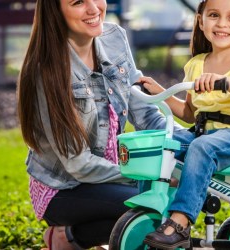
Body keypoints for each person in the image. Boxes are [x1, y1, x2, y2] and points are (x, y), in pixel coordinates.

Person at [16, 0, 172, 249]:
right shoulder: (47, 70)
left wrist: (181, 147)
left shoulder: (115, 38)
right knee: (153, 206)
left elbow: (146, 115)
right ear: (55, 10)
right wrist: (146, 175)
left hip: (108, 176)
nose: (94, 9)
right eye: (78, 2)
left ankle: (71, 235)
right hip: (62, 188)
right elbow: (79, 165)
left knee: (166, 199)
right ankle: (67, 238)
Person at [138, 0, 230, 249]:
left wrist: (224, 81)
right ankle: (148, 209)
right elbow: (190, 113)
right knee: (159, 144)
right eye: (214, 15)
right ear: (201, 21)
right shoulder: (196, 64)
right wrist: (161, 92)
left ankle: (180, 222)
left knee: (202, 147)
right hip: (204, 135)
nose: (222, 23)